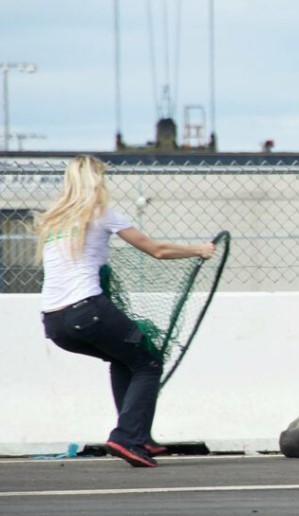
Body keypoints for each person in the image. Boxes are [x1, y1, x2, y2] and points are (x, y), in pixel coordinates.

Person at [36, 155, 215, 468]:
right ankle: (126, 437)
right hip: (87, 310)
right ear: (96, 181)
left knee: (123, 357)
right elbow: (156, 250)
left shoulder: (54, 221)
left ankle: (138, 436)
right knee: (149, 361)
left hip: (54, 322)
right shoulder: (102, 213)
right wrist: (199, 250)